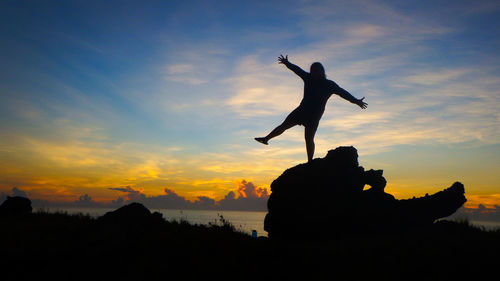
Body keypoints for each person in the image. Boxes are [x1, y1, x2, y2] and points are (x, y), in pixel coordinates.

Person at [255, 54, 367, 162]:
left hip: (314, 116)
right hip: (301, 111)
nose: (314, 73)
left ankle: (310, 162)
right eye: (312, 71)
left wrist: (357, 101)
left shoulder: (329, 85)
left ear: (321, 72)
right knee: (283, 126)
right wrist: (287, 63)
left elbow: (344, 93)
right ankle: (266, 139)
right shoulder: (308, 78)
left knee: (308, 139)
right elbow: (297, 70)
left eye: (316, 71)